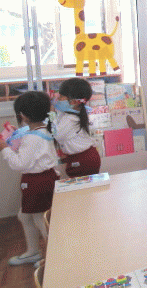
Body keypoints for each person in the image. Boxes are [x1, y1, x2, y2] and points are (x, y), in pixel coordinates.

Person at [0, 91, 59, 266]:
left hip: (36, 182)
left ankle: (53, 256)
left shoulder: (32, 137)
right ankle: (33, 251)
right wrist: (16, 133)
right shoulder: (41, 129)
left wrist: (5, 148)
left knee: (40, 218)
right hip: (43, 179)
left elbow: (20, 164)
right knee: (25, 216)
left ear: (23, 115)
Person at [53, 77, 101, 177]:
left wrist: (51, 114)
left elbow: (56, 134)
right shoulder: (71, 114)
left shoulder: (71, 119)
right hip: (82, 157)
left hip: (83, 160)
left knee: (82, 186)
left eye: (61, 97)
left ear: (74, 102)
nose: (58, 99)